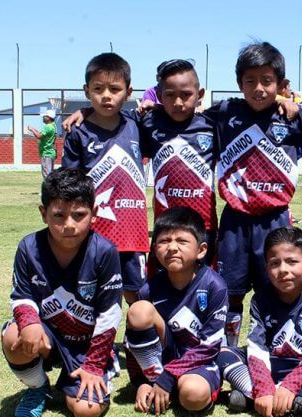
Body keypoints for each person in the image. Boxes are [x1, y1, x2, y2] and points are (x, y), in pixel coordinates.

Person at [202, 42, 302, 346]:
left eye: (267, 81)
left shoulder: (292, 117)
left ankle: (273, 347)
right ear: (239, 84)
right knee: (231, 291)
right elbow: (181, 115)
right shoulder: (226, 112)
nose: (259, 88)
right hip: (235, 220)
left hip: (275, 220)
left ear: (280, 84)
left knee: (276, 288)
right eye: (250, 81)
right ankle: (229, 350)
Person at [64, 59, 219, 268]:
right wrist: (86, 111)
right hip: (165, 228)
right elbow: (112, 116)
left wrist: (280, 99)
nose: (179, 102)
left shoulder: (213, 125)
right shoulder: (148, 122)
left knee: (206, 286)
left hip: (204, 226)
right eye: (170, 95)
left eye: (186, 95)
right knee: (155, 291)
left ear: (199, 95)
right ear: (160, 96)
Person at [1, 168, 122, 417]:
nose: (69, 225)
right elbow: (22, 296)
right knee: (14, 336)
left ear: (95, 214)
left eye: (79, 215)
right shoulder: (28, 247)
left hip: (87, 344)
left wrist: (93, 365)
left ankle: (79, 377)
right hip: (49, 337)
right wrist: (29, 322)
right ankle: (38, 388)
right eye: (59, 215)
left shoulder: (105, 252)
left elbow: (110, 314)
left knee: (85, 410)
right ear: (43, 213)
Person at [216, 227, 302, 417]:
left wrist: (290, 386)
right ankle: (292, 403)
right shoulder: (260, 299)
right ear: (266, 267)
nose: (283, 270)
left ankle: (252, 398)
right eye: (274, 263)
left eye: (292, 261)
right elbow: (256, 347)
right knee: (222, 353)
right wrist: (264, 387)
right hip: (264, 370)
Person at [62, 53, 149, 305]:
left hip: (133, 229)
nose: (107, 96)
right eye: (98, 89)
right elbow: (71, 183)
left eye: (115, 89)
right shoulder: (79, 132)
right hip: (96, 229)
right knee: (95, 292)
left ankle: (139, 342)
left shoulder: (137, 124)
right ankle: (98, 342)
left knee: (137, 293)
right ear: (87, 90)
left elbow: (167, 107)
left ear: (129, 92)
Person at [124, 206, 228, 416]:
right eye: (163, 241)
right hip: (162, 364)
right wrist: (141, 382)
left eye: (182, 241)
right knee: (139, 310)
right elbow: (133, 339)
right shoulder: (150, 289)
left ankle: (184, 389)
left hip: (199, 362)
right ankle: (154, 383)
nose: (172, 248)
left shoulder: (215, 286)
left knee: (193, 395)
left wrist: (170, 376)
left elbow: (210, 347)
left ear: (201, 250)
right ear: (154, 249)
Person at [28, 109, 58, 178]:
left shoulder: (48, 127)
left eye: (45, 116)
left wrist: (32, 129)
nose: (43, 117)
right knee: (50, 174)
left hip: (46, 153)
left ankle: (49, 188)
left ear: (49, 117)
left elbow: (38, 136)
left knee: (46, 175)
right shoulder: (53, 125)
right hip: (50, 152)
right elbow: (41, 134)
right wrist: (34, 129)